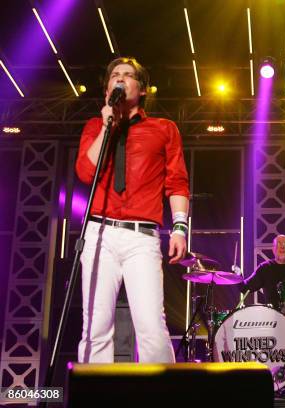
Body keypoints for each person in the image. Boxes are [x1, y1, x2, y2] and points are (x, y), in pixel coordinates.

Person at [75, 57, 190, 363]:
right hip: (100, 233)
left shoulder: (164, 129)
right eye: (115, 76)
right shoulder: (93, 127)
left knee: (151, 326)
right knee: (95, 327)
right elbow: (86, 172)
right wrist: (106, 125)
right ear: (107, 89)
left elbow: (177, 182)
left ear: (141, 89)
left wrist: (180, 228)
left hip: (142, 238)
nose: (121, 79)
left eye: (128, 76)